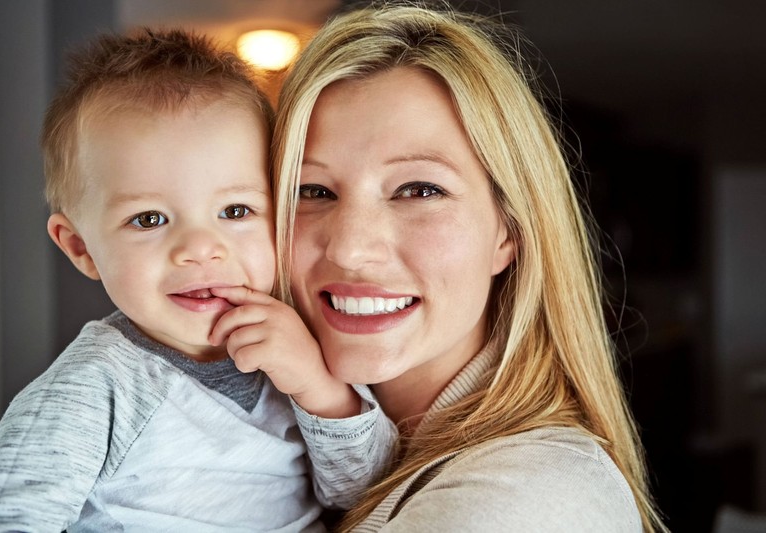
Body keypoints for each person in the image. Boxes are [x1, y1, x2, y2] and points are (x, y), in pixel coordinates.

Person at [0, 28, 395, 532]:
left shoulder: (302, 348)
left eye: (235, 210)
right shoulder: (97, 385)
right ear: (81, 247)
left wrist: (322, 393)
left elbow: (372, 493)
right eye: (149, 219)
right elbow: (1, 517)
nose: (199, 248)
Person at [273, 3, 665, 532]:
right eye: (313, 190)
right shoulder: (274, 440)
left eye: (419, 189)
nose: (349, 248)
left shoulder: (526, 499)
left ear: (509, 231)